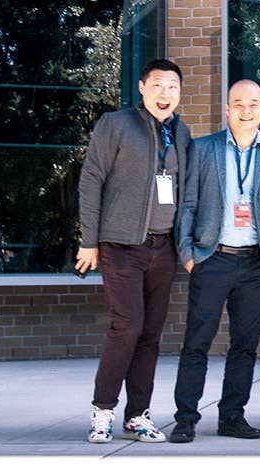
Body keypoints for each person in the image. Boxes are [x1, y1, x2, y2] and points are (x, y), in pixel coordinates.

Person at [78, 59, 191, 444]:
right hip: (121, 245)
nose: (165, 93)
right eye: (158, 85)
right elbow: (91, 178)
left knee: (151, 334)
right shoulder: (116, 124)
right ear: (142, 88)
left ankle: (137, 415)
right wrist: (88, 240)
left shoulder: (182, 133)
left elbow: (186, 193)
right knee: (127, 327)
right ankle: (103, 410)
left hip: (164, 248)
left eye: (173, 86)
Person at [168, 80, 260, 443]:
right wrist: (188, 255)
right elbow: (187, 205)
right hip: (212, 258)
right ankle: (186, 417)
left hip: (255, 264)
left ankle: (232, 416)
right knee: (197, 342)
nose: (246, 110)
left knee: (245, 345)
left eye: (253, 104)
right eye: (238, 103)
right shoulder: (204, 149)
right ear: (227, 109)